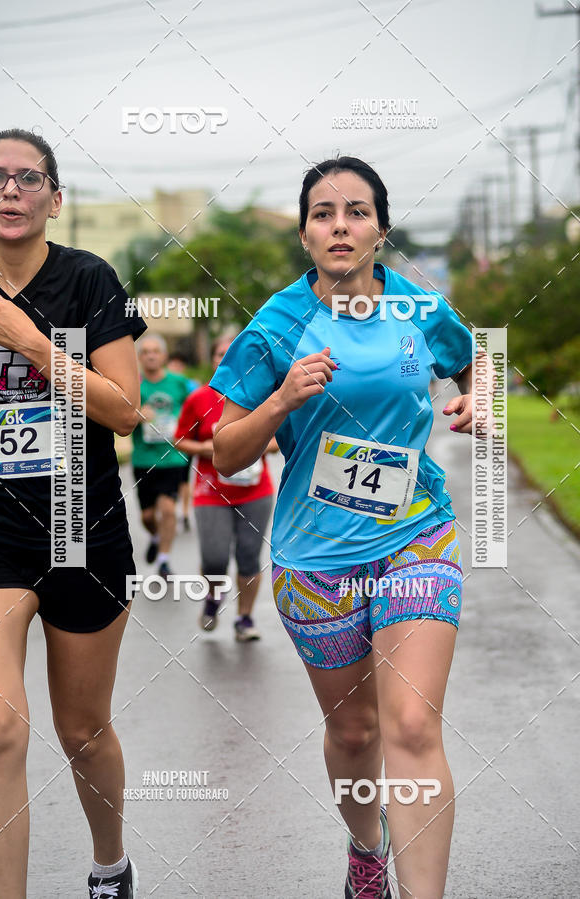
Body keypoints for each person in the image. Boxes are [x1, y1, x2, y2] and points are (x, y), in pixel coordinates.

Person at [210, 156, 476, 898]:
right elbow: (224, 450)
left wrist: (478, 402)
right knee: (355, 732)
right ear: (304, 234)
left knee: (414, 728)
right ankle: (367, 847)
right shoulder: (277, 324)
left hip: (415, 534)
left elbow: (473, 360)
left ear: (380, 230)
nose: (340, 225)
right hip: (315, 555)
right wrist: (280, 402)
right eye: (324, 213)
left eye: (357, 211)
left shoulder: (420, 310)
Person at [0, 129, 145, 898]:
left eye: (27, 178)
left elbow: (123, 411)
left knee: (81, 731)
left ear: (53, 196)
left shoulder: (89, 280)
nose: (10, 191)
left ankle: (110, 863)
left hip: (83, 527)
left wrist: (34, 343)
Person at [174, 335, 277, 641]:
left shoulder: (261, 395)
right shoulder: (199, 398)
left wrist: (259, 447)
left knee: (249, 557)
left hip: (255, 491)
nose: (224, 358)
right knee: (216, 557)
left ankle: (245, 619)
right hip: (211, 492)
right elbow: (180, 440)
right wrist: (209, 448)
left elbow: (279, 438)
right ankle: (213, 597)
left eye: (230, 353)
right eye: (219, 354)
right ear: (214, 360)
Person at [131, 334, 192, 577]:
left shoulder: (179, 383)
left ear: (164, 356)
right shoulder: (133, 385)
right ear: (139, 357)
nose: (151, 355)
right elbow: (118, 418)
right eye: (146, 351)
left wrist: (184, 427)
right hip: (143, 459)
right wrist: (136, 415)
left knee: (168, 510)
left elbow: (194, 411)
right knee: (147, 516)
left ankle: (164, 559)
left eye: (156, 351)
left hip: (172, 458)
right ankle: (155, 535)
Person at [167, 348, 199, 532]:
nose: (176, 367)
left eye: (180, 364)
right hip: (162, 439)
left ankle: (185, 512)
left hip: (184, 437)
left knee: (184, 478)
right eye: (174, 363)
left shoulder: (189, 385)